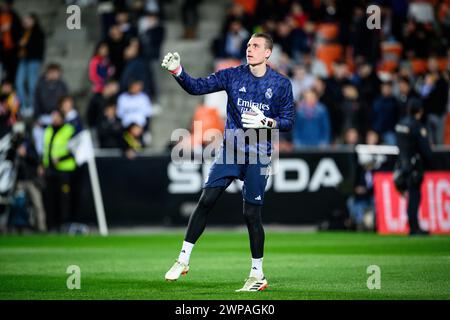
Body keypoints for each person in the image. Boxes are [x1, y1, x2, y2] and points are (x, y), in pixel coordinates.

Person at [161, 33, 295, 291]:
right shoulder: (233, 75)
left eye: (256, 46)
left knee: (251, 214)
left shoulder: (281, 84)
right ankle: (183, 259)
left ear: (268, 53)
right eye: (248, 45)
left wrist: (266, 122)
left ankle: (257, 274)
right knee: (206, 200)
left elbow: (289, 121)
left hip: (260, 153)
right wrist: (178, 71)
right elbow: (196, 87)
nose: (250, 49)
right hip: (231, 151)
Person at [394, 98, 433, 236]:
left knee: (410, 195)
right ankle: (414, 227)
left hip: (401, 164)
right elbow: (426, 151)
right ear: (420, 111)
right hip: (414, 165)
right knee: (415, 195)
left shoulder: (400, 124)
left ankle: (412, 225)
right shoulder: (418, 127)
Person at [42, 109, 77, 232]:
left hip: (64, 170)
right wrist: (42, 164)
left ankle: (65, 225)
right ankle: (52, 225)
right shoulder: (48, 130)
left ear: (62, 118)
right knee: (51, 198)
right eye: (53, 116)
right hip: (50, 170)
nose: (54, 119)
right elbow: (45, 150)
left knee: (64, 199)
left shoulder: (69, 130)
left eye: (57, 116)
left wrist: (61, 159)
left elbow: (75, 150)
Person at [15, 13, 45, 118]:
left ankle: (32, 106)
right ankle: (24, 106)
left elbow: (37, 48)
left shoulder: (38, 32)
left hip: (33, 61)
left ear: (34, 20)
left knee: (32, 85)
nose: (26, 21)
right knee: (19, 83)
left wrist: (25, 45)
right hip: (22, 60)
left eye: (29, 19)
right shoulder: (22, 31)